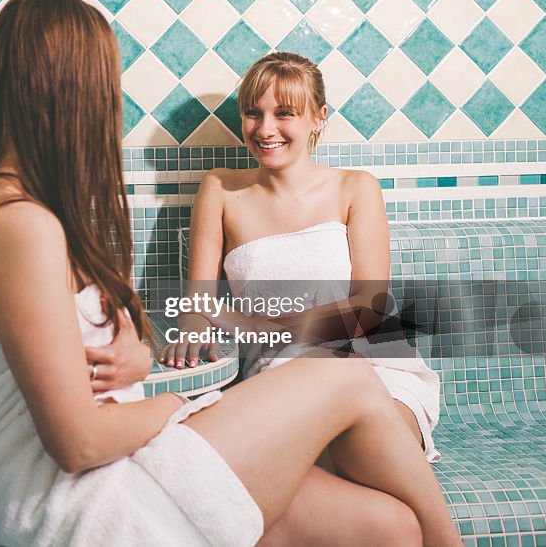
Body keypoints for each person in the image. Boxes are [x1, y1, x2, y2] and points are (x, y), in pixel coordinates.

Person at [0, 0, 461, 547]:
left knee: (394, 527)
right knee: (348, 381)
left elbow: (366, 313)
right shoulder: (19, 225)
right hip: (94, 502)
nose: (110, 105)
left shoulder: (22, 210)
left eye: (285, 113)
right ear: (74, 89)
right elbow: (79, 442)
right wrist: (178, 403)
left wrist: (141, 354)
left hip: (123, 467)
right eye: (106, 84)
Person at [159, 51, 443, 542]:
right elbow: (198, 303)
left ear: (318, 118)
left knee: (354, 443)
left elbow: (369, 312)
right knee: (369, 506)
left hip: (379, 370)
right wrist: (190, 336)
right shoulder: (221, 191)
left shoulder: (355, 188)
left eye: (284, 113)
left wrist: (262, 328)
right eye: (253, 112)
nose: (265, 128)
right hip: (278, 376)